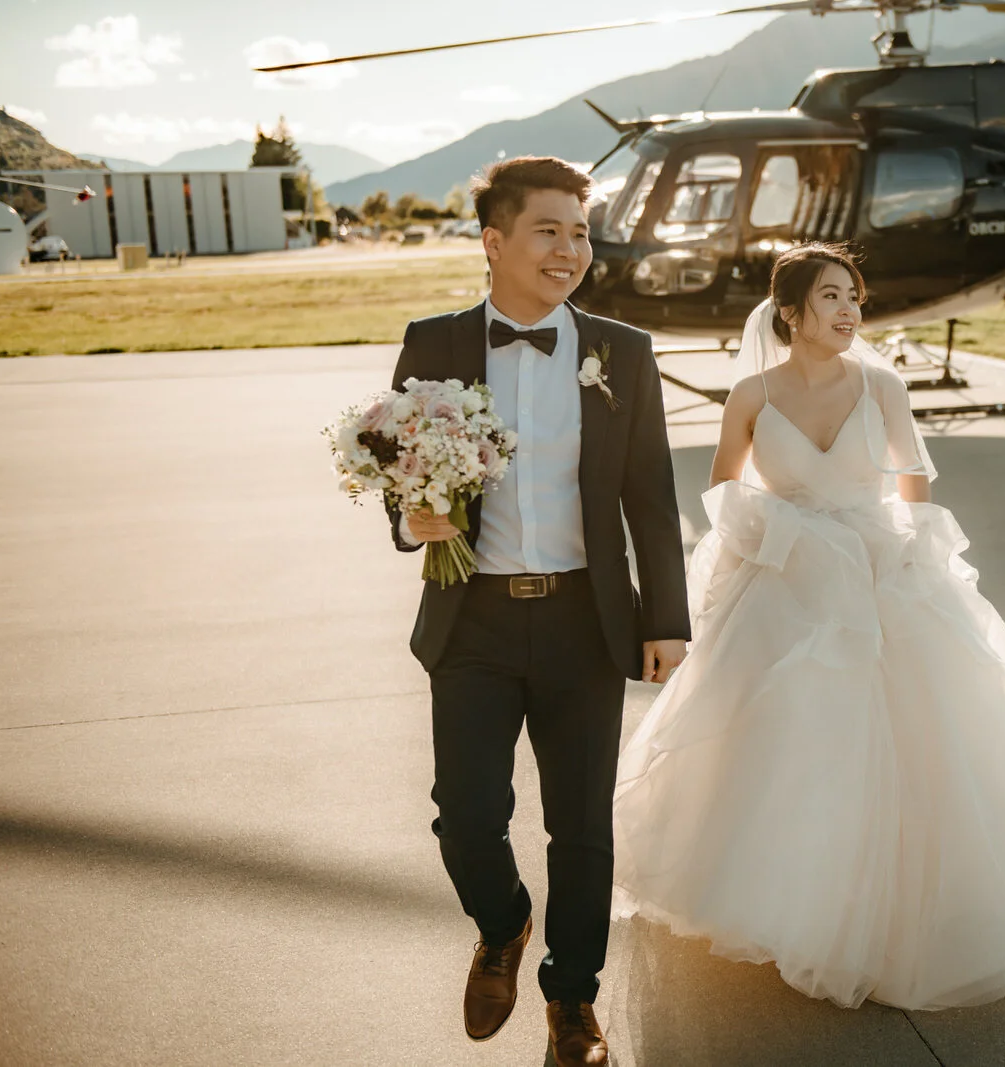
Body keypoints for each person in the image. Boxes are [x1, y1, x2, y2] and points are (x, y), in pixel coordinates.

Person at [612, 243, 1005, 1011]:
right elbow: (726, 487)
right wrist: (789, 532)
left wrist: (906, 559)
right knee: (790, 736)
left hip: (881, 568)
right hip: (791, 573)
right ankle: (789, 898)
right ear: (789, 312)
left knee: (929, 732)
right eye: (831, 296)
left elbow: (913, 483)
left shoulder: (884, 383)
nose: (850, 310)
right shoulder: (752, 395)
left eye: (855, 295)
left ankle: (916, 907)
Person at [389, 155, 689, 1066]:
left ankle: (573, 1001)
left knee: (581, 823)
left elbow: (650, 493)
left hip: (584, 622)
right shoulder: (431, 341)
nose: (570, 250)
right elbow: (397, 467)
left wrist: (664, 616)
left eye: (580, 232)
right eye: (548, 230)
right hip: (470, 618)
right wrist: (411, 516)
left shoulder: (622, 353)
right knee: (467, 815)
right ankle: (505, 920)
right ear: (494, 241)